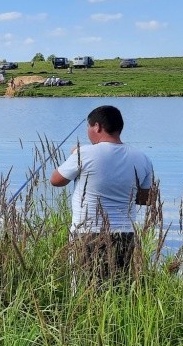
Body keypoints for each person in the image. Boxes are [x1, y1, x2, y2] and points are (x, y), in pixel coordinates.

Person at [50, 105, 153, 285]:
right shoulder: (142, 157)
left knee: (84, 292)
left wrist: (76, 154)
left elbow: (56, 180)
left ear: (97, 126)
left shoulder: (84, 153)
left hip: (87, 234)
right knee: (119, 289)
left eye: (89, 127)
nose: (89, 132)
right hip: (125, 235)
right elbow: (146, 199)